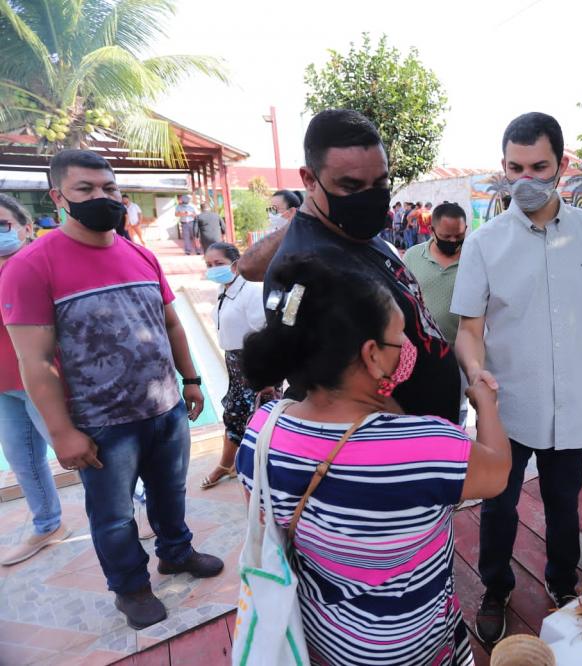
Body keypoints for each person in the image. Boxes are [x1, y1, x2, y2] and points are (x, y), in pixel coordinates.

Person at [236, 257, 511, 665]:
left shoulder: (262, 430)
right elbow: (498, 472)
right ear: (372, 355)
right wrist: (485, 403)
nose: (408, 347)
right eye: (399, 336)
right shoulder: (428, 447)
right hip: (412, 644)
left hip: (323, 639)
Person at [1, 149, 224, 629]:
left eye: (109, 188)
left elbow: (170, 322)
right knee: (114, 516)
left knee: (170, 494)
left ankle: (176, 553)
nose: (101, 197)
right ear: (58, 197)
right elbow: (34, 360)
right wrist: (62, 433)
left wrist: (190, 380)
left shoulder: (139, 253)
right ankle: (131, 588)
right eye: (85, 189)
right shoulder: (32, 265)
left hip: (165, 409)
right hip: (102, 423)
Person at [451, 112, 582, 643]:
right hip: (507, 406)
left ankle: (561, 582)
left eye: (539, 167)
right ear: (503, 167)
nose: (526, 179)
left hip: (572, 400)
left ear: (562, 165)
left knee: (564, 502)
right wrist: (476, 371)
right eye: (515, 168)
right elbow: (469, 329)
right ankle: (496, 587)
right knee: (500, 504)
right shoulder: (485, 242)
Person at [237, 109, 462, 423]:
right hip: (398, 444)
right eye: (351, 187)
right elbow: (334, 395)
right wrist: (421, 438)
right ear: (309, 180)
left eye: (380, 182)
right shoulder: (310, 269)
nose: (369, 198)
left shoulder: (350, 231)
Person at [0, 194, 70, 566]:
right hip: (5, 386)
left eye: (3, 225)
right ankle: (48, 525)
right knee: (24, 460)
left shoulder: (37, 267)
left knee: (82, 453)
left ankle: (139, 506)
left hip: (42, 382)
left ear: (27, 228)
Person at [200, 242, 273, 489]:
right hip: (234, 363)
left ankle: (234, 467)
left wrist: (267, 376)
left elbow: (264, 334)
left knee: (253, 417)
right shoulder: (224, 289)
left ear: (235, 263)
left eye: (218, 263)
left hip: (254, 364)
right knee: (236, 415)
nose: (213, 269)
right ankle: (231, 465)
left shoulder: (251, 292)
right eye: (209, 265)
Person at [403, 202, 469, 423]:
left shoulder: (475, 257)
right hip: (422, 351)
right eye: (446, 236)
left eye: (458, 236)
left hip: (461, 352)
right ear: (432, 230)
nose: (453, 241)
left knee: (456, 410)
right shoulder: (413, 256)